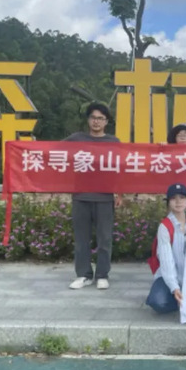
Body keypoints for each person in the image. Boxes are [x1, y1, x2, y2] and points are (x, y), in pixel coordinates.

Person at [65, 102, 121, 290]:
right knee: (81, 239)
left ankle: (102, 275)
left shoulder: (113, 142)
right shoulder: (76, 139)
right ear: (88, 120)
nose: (96, 121)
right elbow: (53, 151)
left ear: (106, 122)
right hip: (81, 196)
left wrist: (120, 192)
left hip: (105, 197)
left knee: (104, 239)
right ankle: (84, 275)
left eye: (100, 118)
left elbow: (120, 169)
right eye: (93, 117)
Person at [146, 183, 186, 313]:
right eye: (173, 198)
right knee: (158, 302)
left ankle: (185, 298)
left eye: (182, 197)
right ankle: (177, 298)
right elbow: (166, 262)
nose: (178, 202)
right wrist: (174, 287)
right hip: (170, 275)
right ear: (168, 202)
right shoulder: (165, 226)